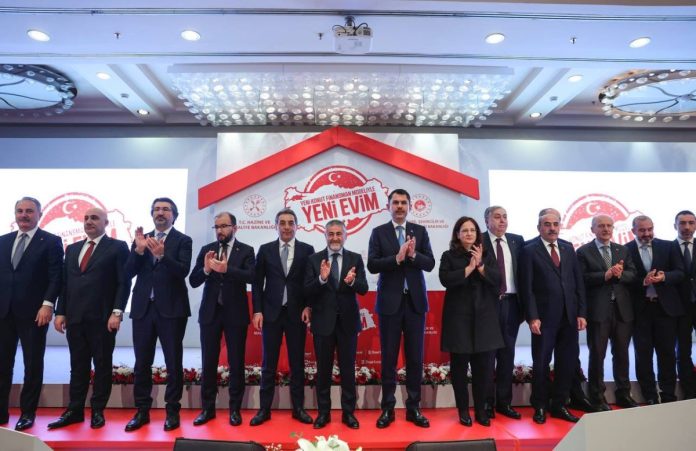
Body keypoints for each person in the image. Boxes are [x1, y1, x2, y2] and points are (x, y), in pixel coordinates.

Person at [49, 208, 131, 430]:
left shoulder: (118, 247)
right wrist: (60, 312)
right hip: (75, 318)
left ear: (105, 222)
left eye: (94, 218)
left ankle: (97, 411)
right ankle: (75, 410)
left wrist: (117, 312)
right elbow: (65, 283)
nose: (89, 221)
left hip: (103, 318)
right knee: (77, 366)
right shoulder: (73, 248)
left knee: (102, 366)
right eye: (86, 218)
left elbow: (123, 282)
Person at [367, 188, 435, 429]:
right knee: (388, 357)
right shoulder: (378, 232)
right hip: (389, 304)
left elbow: (430, 263)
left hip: (415, 304)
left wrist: (413, 255)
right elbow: (372, 265)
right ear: (388, 206)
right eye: (395, 202)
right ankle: (387, 408)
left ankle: (413, 408)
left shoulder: (420, 231)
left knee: (415, 358)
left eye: (403, 203)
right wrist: (396, 258)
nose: (399, 206)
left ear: (409, 207)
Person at [124, 197, 192, 432]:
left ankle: (172, 411)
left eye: (165, 209)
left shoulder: (183, 240)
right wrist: (138, 250)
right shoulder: (142, 239)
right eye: (156, 209)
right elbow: (128, 272)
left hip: (172, 310)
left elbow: (183, 271)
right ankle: (142, 411)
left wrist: (163, 256)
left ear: (174, 215)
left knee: (173, 362)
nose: (160, 213)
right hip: (143, 308)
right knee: (142, 362)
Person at [0, 197, 63, 431]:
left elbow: (56, 277)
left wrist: (48, 304)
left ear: (39, 214)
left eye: (29, 211)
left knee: (32, 365)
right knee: (2, 365)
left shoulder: (51, 241)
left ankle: (28, 413)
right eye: (20, 211)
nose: (24, 215)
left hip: (35, 313)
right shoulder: (3, 241)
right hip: (3, 312)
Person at [519, 210, 587, 424]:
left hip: (569, 317)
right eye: (547, 224)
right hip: (543, 319)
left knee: (566, 363)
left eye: (555, 224)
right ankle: (539, 405)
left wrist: (581, 312)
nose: (552, 228)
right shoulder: (529, 250)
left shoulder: (567, 247)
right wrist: (532, 316)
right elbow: (526, 288)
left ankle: (559, 405)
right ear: (539, 227)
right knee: (541, 362)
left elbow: (577, 282)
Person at [189, 212, 255, 427]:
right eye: (217, 227)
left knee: (236, 362)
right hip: (210, 313)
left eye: (224, 226)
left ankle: (235, 409)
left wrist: (228, 269)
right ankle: (207, 409)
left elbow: (252, 276)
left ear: (234, 228)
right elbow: (193, 280)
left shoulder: (246, 250)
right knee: (208, 362)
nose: (220, 230)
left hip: (235, 314)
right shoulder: (207, 250)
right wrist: (206, 269)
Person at [250, 208, 314, 426]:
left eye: (290, 223)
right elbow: (257, 284)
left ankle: (298, 409)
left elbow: (310, 282)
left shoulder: (307, 250)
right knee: (268, 364)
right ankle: (264, 410)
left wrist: (308, 306)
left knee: (297, 364)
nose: (286, 227)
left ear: (297, 226)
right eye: (282, 223)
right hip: (271, 314)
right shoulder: (265, 250)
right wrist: (258, 311)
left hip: (296, 314)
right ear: (275, 225)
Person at [440, 216, 503, 427]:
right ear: (457, 234)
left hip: (484, 322)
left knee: (483, 371)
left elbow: (497, 280)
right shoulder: (449, 256)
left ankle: (481, 410)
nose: (469, 234)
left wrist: (481, 266)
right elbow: (446, 280)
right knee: (459, 370)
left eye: (472, 230)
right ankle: (463, 410)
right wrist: (468, 268)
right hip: (459, 322)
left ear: (477, 234)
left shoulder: (487, 255)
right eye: (464, 230)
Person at [305, 220, 368, 429]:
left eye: (338, 234)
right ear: (325, 236)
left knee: (348, 371)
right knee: (323, 371)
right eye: (331, 234)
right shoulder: (314, 259)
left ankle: (348, 413)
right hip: (323, 323)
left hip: (348, 323)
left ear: (345, 236)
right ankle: (323, 413)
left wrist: (352, 282)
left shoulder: (355, 258)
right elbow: (307, 290)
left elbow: (363, 288)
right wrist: (322, 279)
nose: (335, 238)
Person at [576, 214, 638, 411]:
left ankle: (624, 394)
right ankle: (597, 397)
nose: (605, 229)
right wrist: (605, 275)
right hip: (598, 311)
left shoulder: (623, 249)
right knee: (597, 355)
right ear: (592, 229)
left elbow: (633, 274)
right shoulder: (583, 251)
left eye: (609, 226)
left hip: (622, 310)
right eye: (601, 226)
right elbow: (581, 279)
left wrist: (619, 275)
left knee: (622, 354)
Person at [626, 215, 684, 404]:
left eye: (650, 229)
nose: (647, 233)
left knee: (667, 354)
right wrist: (642, 282)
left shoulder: (668, 246)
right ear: (633, 231)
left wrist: (664, 277)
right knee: (643, 356)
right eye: (642, 230)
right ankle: (650, 396)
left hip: (665, 310)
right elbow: (624, 280)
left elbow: (680, 272)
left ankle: (668, 395)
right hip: (640, 311)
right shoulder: (625, 250)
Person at [482, 206, 525, 420]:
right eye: (497, 217)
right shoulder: (479, 241)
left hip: (512, 304)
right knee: (487, 357)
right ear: (487, 221)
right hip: (488, 306)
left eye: (505, 217)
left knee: (507, 355)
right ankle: (486, 403)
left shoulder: (517, 241)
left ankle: (504, 403)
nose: (502, 221)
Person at [673, 210, 696, 399]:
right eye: (682, 223)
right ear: (675, 226)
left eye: (691, 223)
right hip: (679, 308)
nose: (687, 227)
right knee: (683, 351)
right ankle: (689, 393)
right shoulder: (667, 248)